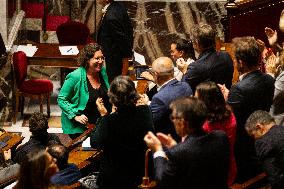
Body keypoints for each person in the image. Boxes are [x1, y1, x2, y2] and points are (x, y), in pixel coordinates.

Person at [219, 36, 275, 182]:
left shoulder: (238, 88)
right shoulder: (269, 79)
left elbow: (230, 118)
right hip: (262, 136)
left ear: (241, 62)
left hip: (243, 144)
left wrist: (226, 99)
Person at [144, 97, 230, 189]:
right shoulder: (221, 137)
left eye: (173, 117)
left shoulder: (179, 152)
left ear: (183, 122)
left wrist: (158, 150)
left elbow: (163, 182)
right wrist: (174, 146)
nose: (172, 121)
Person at [90, 76, 154, 189]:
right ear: (134, 94)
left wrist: (103, 116)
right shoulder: (145, 112)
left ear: (112, 99)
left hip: (115, 177)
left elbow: (95, 143)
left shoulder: (109, 121)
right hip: (140, 172)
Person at [58, 43, 110, 139]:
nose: (101, 61)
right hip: (81, 126)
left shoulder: (102, 72)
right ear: (87, 59)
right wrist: (75, 116)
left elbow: (109, 91)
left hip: (100, 121)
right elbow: (61, 99)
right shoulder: (75, 76)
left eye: (102, 58)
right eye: (97, 58)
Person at [195, 81, 237, 185]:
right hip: (229, 166)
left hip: (210, 172)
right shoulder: (229, 113)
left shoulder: (205, 125)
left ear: (205, 102)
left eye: (196, 98)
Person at [148, 57, 192, 141]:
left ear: (156, 75)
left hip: (169, 141)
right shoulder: (186, 86)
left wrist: (145, 106)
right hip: (187, 136)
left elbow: (152, 125)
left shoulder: (158, 98)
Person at [182, 23, 234, 92]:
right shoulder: (226, 56)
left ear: (196, 43)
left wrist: (184, 71)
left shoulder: (195, 67)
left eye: (192, 41)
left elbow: (183, 90)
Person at [245, 110, 284, 189]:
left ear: (259, 127)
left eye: (253, 136)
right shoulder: (282, 129)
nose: (254, 139)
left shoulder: (263, 142)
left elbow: (275, 177)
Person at [97, 0, 133, 82]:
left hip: (113, 55)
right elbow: (128, 29)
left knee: (113, 80)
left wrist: (126, 57)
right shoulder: (118, 5)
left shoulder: (111, 17)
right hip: (116, 53)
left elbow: (121, 38)